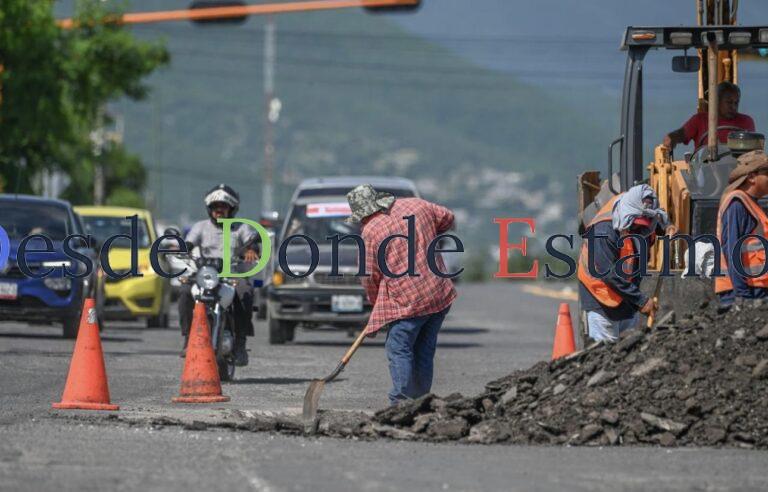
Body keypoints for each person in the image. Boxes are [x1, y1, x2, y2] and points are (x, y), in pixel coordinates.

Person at [346, 184, 457, 406]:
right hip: (438, 292)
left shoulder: (370, 231)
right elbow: (448, 218)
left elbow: (369, 275)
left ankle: (401, 402)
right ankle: (421, 401)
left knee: (399, 347)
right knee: (424, 349)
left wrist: (376, 302)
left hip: (409, 300)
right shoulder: (417, 205)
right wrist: (429, 233)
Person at [578, 184, 676, 342]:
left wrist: (667, 226)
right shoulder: (604, 232)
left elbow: (657, 217)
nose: (638, 228)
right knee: (604, 351)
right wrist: (641, 301)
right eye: (635, 223)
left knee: (627, 348)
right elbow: (608, 274)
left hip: (625, 297)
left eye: (644, 224)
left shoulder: (638, 209)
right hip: (600, 295)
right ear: (628, 213)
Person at [178, 184, 259, 365]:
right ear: (209, 209)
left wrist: (251, 249)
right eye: (215, 206)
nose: (219, 210)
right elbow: (188, 243)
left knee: (245, 292)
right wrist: (182, 248)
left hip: (233, 275)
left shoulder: (241, 227)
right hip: (205, 275)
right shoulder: (200, 227)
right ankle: (187, 339)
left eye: (223, 206)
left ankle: (240, 343)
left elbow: (252, 240)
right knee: (184, 291)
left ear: (232, 209)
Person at [715, 150, 768, 310]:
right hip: (743, 291)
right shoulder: (737, 204)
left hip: (755, 288)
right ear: (751, 177)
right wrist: (742, 295)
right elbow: (732, 248)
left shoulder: (751, 204)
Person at [663, 81, 755, 152]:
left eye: (736, 103)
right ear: (717, 101)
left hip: (737, 168)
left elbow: (752, 150)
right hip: (706, 167)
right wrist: (672, 137)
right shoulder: (700, 119)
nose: (733, 107)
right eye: (729, 102)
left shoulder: (746, 121)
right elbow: (682, 133)